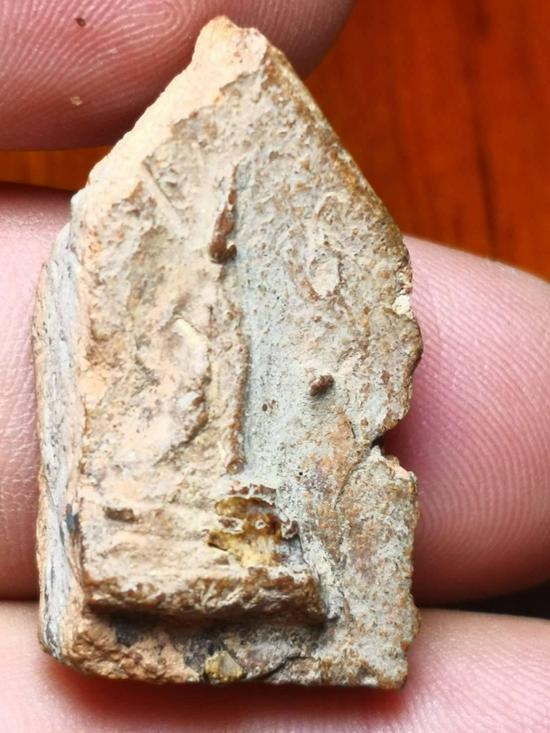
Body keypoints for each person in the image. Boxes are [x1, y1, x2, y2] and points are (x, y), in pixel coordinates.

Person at [0, 1, 548, 730]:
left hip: (202, 473)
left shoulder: (217, 304)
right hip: (154, 479)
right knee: (193, 406)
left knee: (222, 412)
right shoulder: (176, 304)